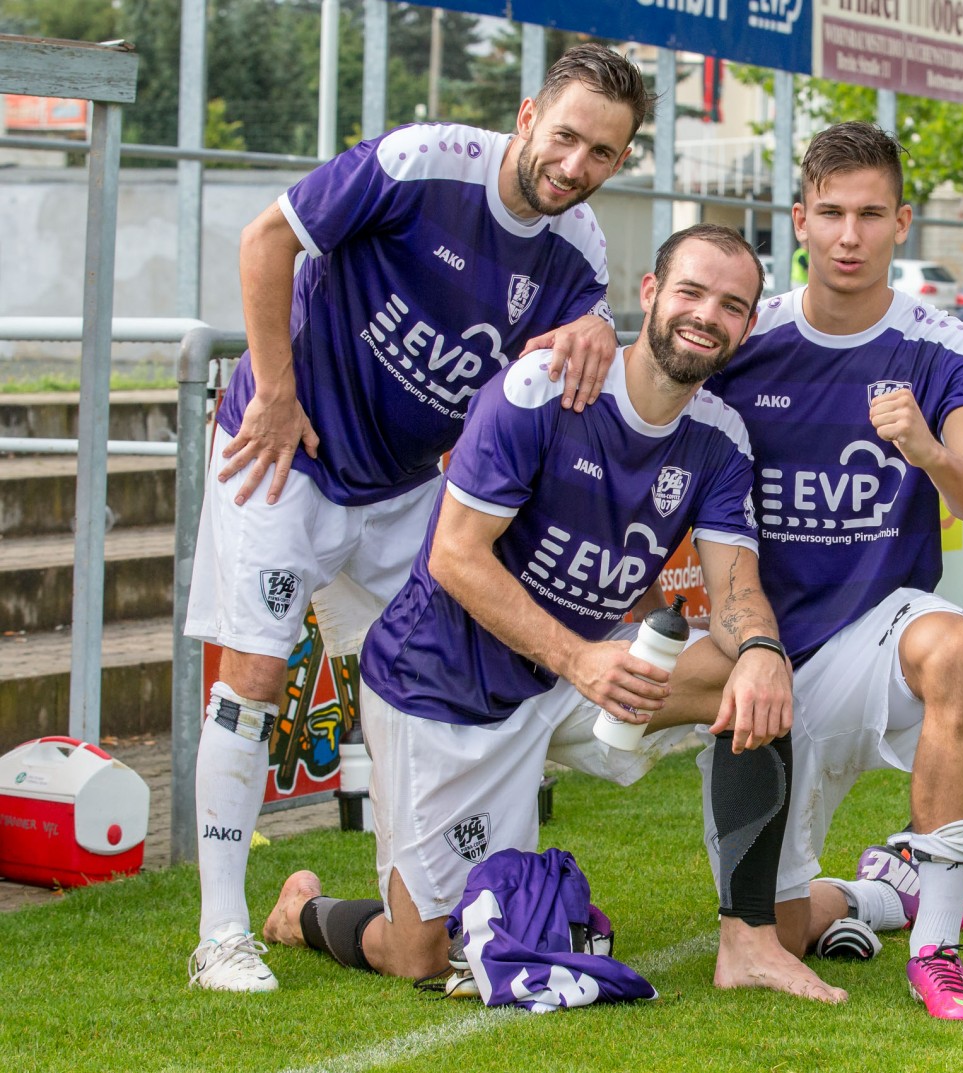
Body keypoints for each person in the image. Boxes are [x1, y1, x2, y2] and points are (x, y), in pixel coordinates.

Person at [259, 224, 845, 1004]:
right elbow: (454, 556)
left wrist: (765, 645)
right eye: (692, 293)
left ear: (744, 327)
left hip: (571, 676)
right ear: (650, 295)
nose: (708, 316)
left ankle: (748, 939)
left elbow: (735, 588)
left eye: (733, 306)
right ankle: (302, 912)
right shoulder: (542, 389)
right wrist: (580, 658)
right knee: (423, 953)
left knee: (754, 680)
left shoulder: (721, 437)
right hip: (444, 684)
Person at [183, 44, 652, 992]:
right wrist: (273, 389)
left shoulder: (581, 251)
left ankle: (430, 908)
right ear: (527, 116)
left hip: (403, 490)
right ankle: (220, 932)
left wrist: (600, 326)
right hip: (286, 450)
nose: (575, 166)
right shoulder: (421, 162)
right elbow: (265, 238)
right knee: (256, 674)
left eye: (603, 154)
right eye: (566, 137)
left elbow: (571, 362)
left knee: (443, 672)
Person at [699, 121, 963, 1020]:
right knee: (786, 925)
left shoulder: (940, 346)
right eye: (831, 213)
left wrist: (928, 450)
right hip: (758, 660)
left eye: (871, 214)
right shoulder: (741, 339)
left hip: (873, 641)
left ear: (902, 222)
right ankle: (884, 889)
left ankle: (938, 948)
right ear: (798, 219)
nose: (850, 235)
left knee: (957, 644)